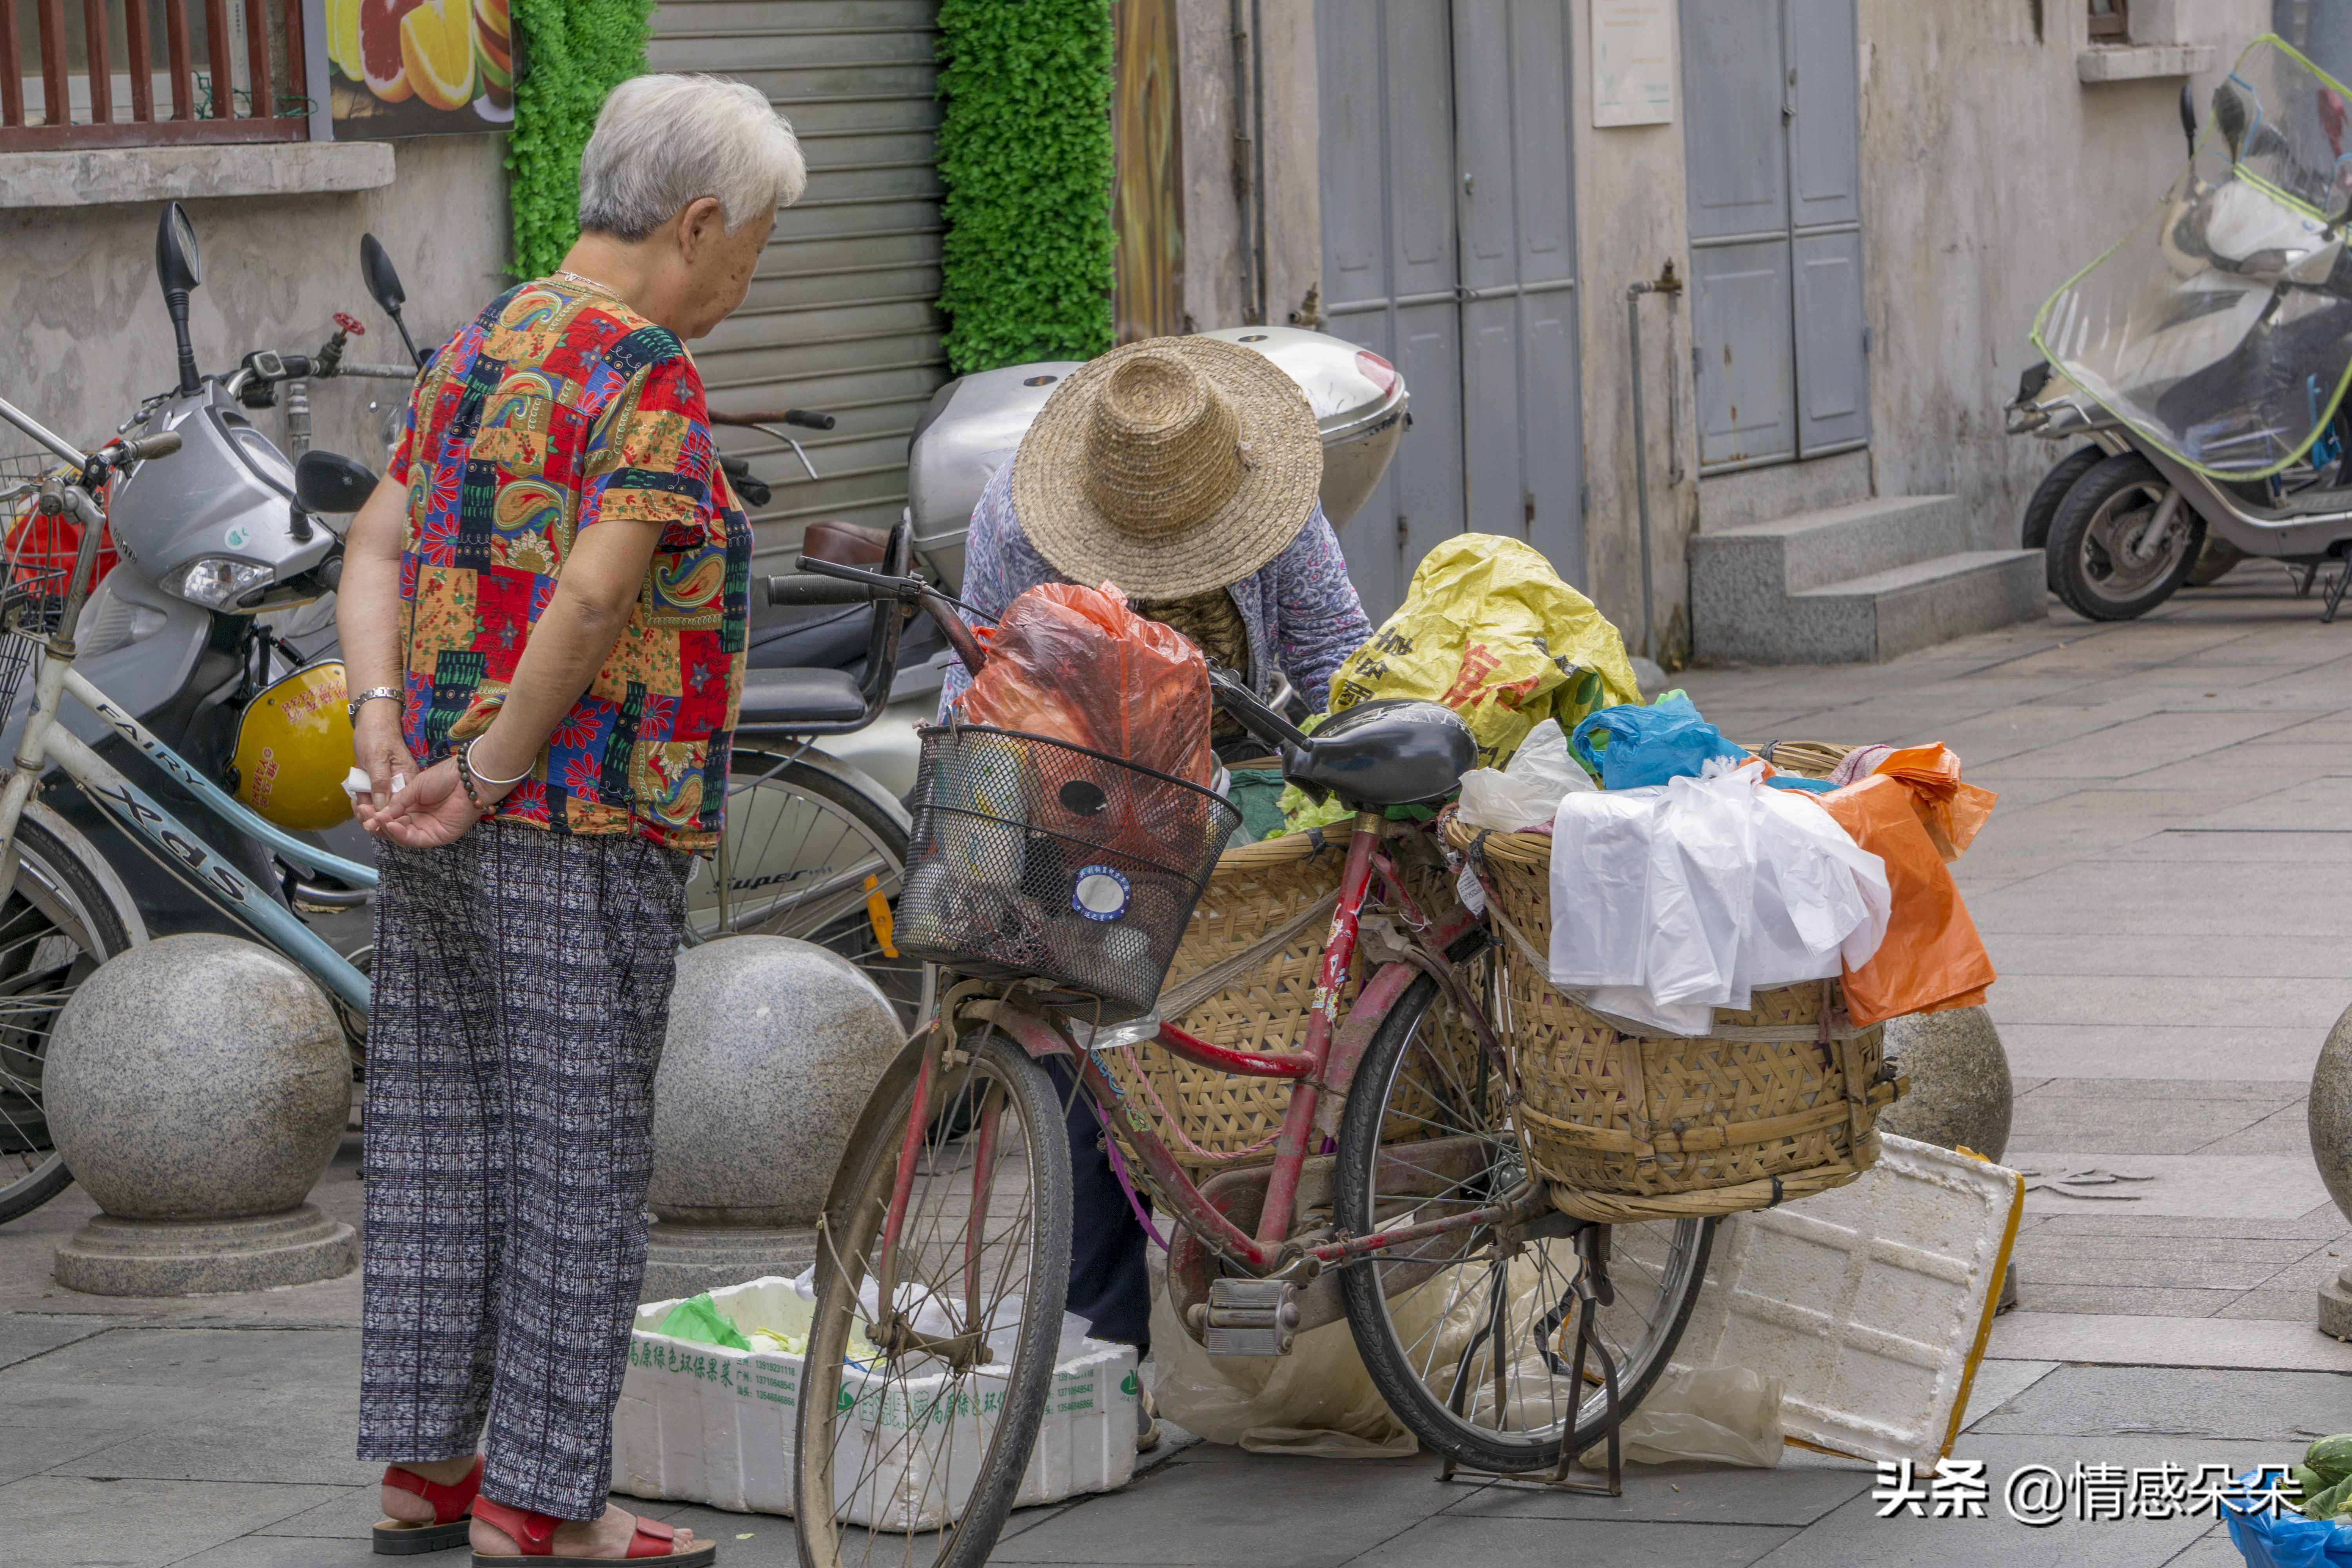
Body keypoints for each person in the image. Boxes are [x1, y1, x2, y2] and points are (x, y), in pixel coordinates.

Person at [338, 73, 801, 1563]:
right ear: (701, 221)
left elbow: (374, 542)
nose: (750, 276)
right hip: (582, 817)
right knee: (577, 1151)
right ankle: (544, 1502)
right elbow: (599, 596)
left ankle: (432, 1465)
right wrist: (486, 773)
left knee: (440, 1123)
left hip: (431, 817)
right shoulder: (649, 372)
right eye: (758, 245)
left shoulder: (479, 344)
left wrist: (387, 732)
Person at [939, 335, 1374, 1444]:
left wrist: (1367, 774)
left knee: (1237, 1047)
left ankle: (1246, 1260)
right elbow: (989, 673)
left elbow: (1333, 660)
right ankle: (1104, 1361)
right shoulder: (1015, 515)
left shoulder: (1270, 499)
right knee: (1082, 1061)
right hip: (1076, 778)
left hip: (1240, 788)